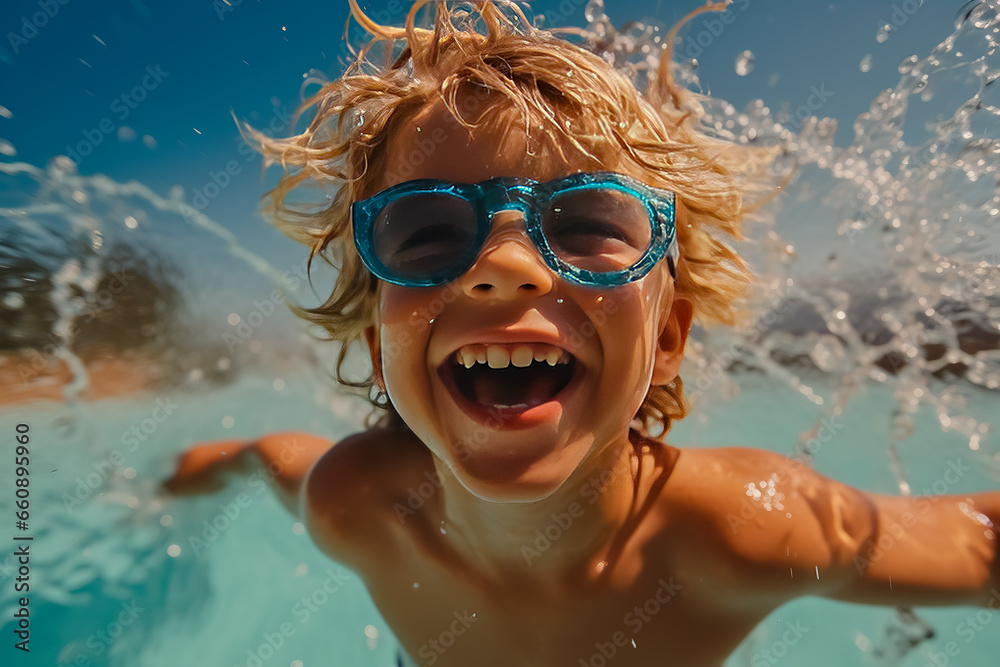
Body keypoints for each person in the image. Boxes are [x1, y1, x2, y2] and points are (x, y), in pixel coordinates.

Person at [165, 1, 1000, 664]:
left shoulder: (740, 528)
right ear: (379, 346)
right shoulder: (356, 504)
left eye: (588, 222)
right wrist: (218, 461)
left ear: (669, 337)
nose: (503, 264)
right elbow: (279, 457)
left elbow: (983, 548)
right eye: (424, 232)